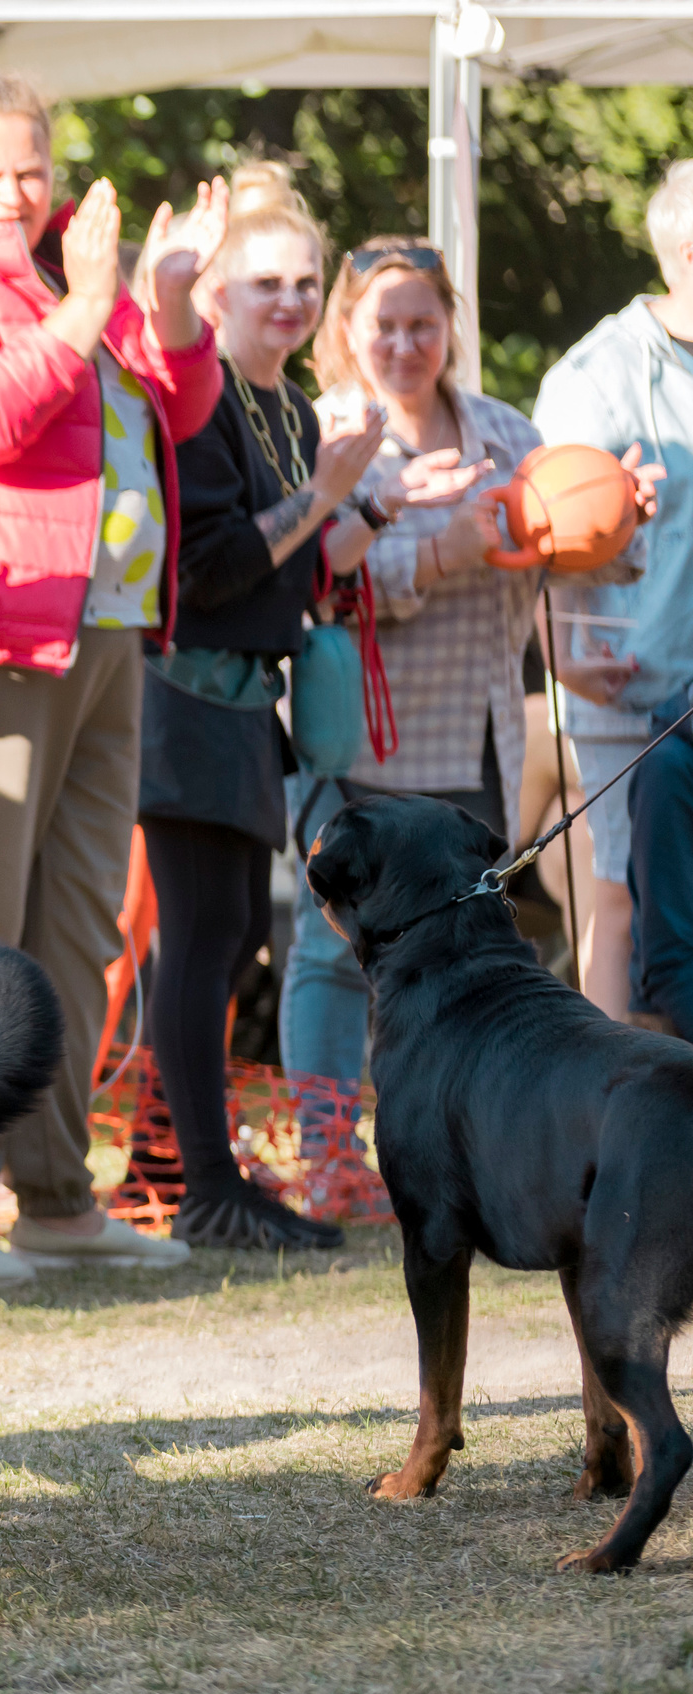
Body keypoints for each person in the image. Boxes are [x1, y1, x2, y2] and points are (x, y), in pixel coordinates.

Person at [0, 72, 218, 1285]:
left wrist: (163, 306)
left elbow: (176, 404)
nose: (17, 194)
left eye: (34, 171)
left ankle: (58, 1193)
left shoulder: (50, 264)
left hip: (105, 625)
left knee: (79, 925)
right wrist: (92, 305)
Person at [146, 175, 454, 1247]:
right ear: (214, 294)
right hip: (182, 693)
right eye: (263, 282)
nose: (288, 300)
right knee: (200, 940)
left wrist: (371, 503)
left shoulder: (280, 403)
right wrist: (328, 497)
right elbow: (220, 564)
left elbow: (297, 572)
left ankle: (184, 1164)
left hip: (244, 699)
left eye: (304, 283)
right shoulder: (205, 397)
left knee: (229, 942)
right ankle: (201, 1189)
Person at [281, 241, 659, 1103]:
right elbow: (319, 576)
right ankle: (328, 1146)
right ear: (348, 329)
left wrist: (614, 521)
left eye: (426, 323)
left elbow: (552, 556)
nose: (407, 345)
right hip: (361, 751)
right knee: (335, 952)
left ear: (452, 324)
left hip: (476, 746)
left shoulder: (506, 432)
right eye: (386, 325)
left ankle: (443, 1134)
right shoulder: (328, 436)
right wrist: (439, 557)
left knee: (454, 961)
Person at [531, 158, 693, 1030]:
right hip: (633, 695)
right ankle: (618, 1125)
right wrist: (564, 657)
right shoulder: (593, 378)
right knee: (622, 899)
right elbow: (543, 536)